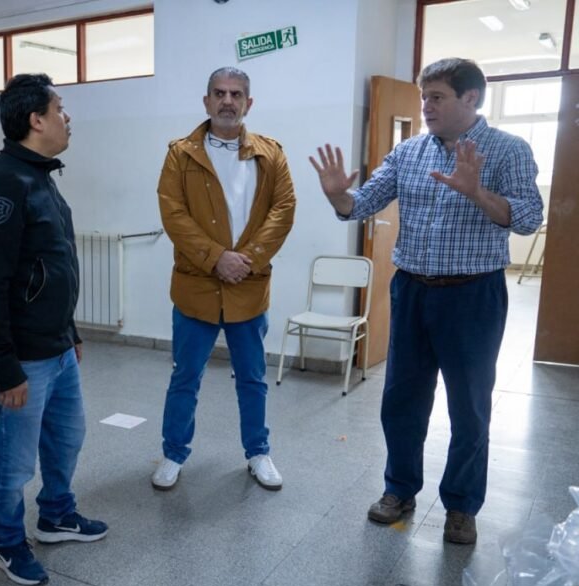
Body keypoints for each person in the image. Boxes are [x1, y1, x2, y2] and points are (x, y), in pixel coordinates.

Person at [309, 58, 543, 545]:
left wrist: (477, 192)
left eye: (436, 97)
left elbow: (525, 219)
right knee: (402, 399)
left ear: (470, 99)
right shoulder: (409, 152)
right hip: (413, 289)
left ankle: (460, 506)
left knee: (470, 406)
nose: (426, 106)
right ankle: (399, 490)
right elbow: (363, 203)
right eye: (423, 96)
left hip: (473, 296)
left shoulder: (508, 150)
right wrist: (337, 197)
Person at [0, 73, 108, 586]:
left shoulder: (39, 176)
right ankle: (7, 543)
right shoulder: (4, 182)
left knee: (67, 438)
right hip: (21, 357)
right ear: (36, 119)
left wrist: (68, 331)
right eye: (60, 108)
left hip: (56, 348)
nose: (67, 117)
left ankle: (56, 515)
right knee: (11, 461)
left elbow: (52, 265)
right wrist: (4, 367)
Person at [152, 67, 296, 492]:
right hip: (195, 286)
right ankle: (173, 453)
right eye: (219, 93)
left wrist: (246, 259)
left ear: (249, 103)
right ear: (206, 101)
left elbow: (283, 210)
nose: (227, 101)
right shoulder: (181, 154)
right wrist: (217, 258)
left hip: (248, 288)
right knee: (185, 376)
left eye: (236, 94)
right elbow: (173, 214)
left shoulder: (271, 154)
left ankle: (258, 453)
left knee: (252, 377)